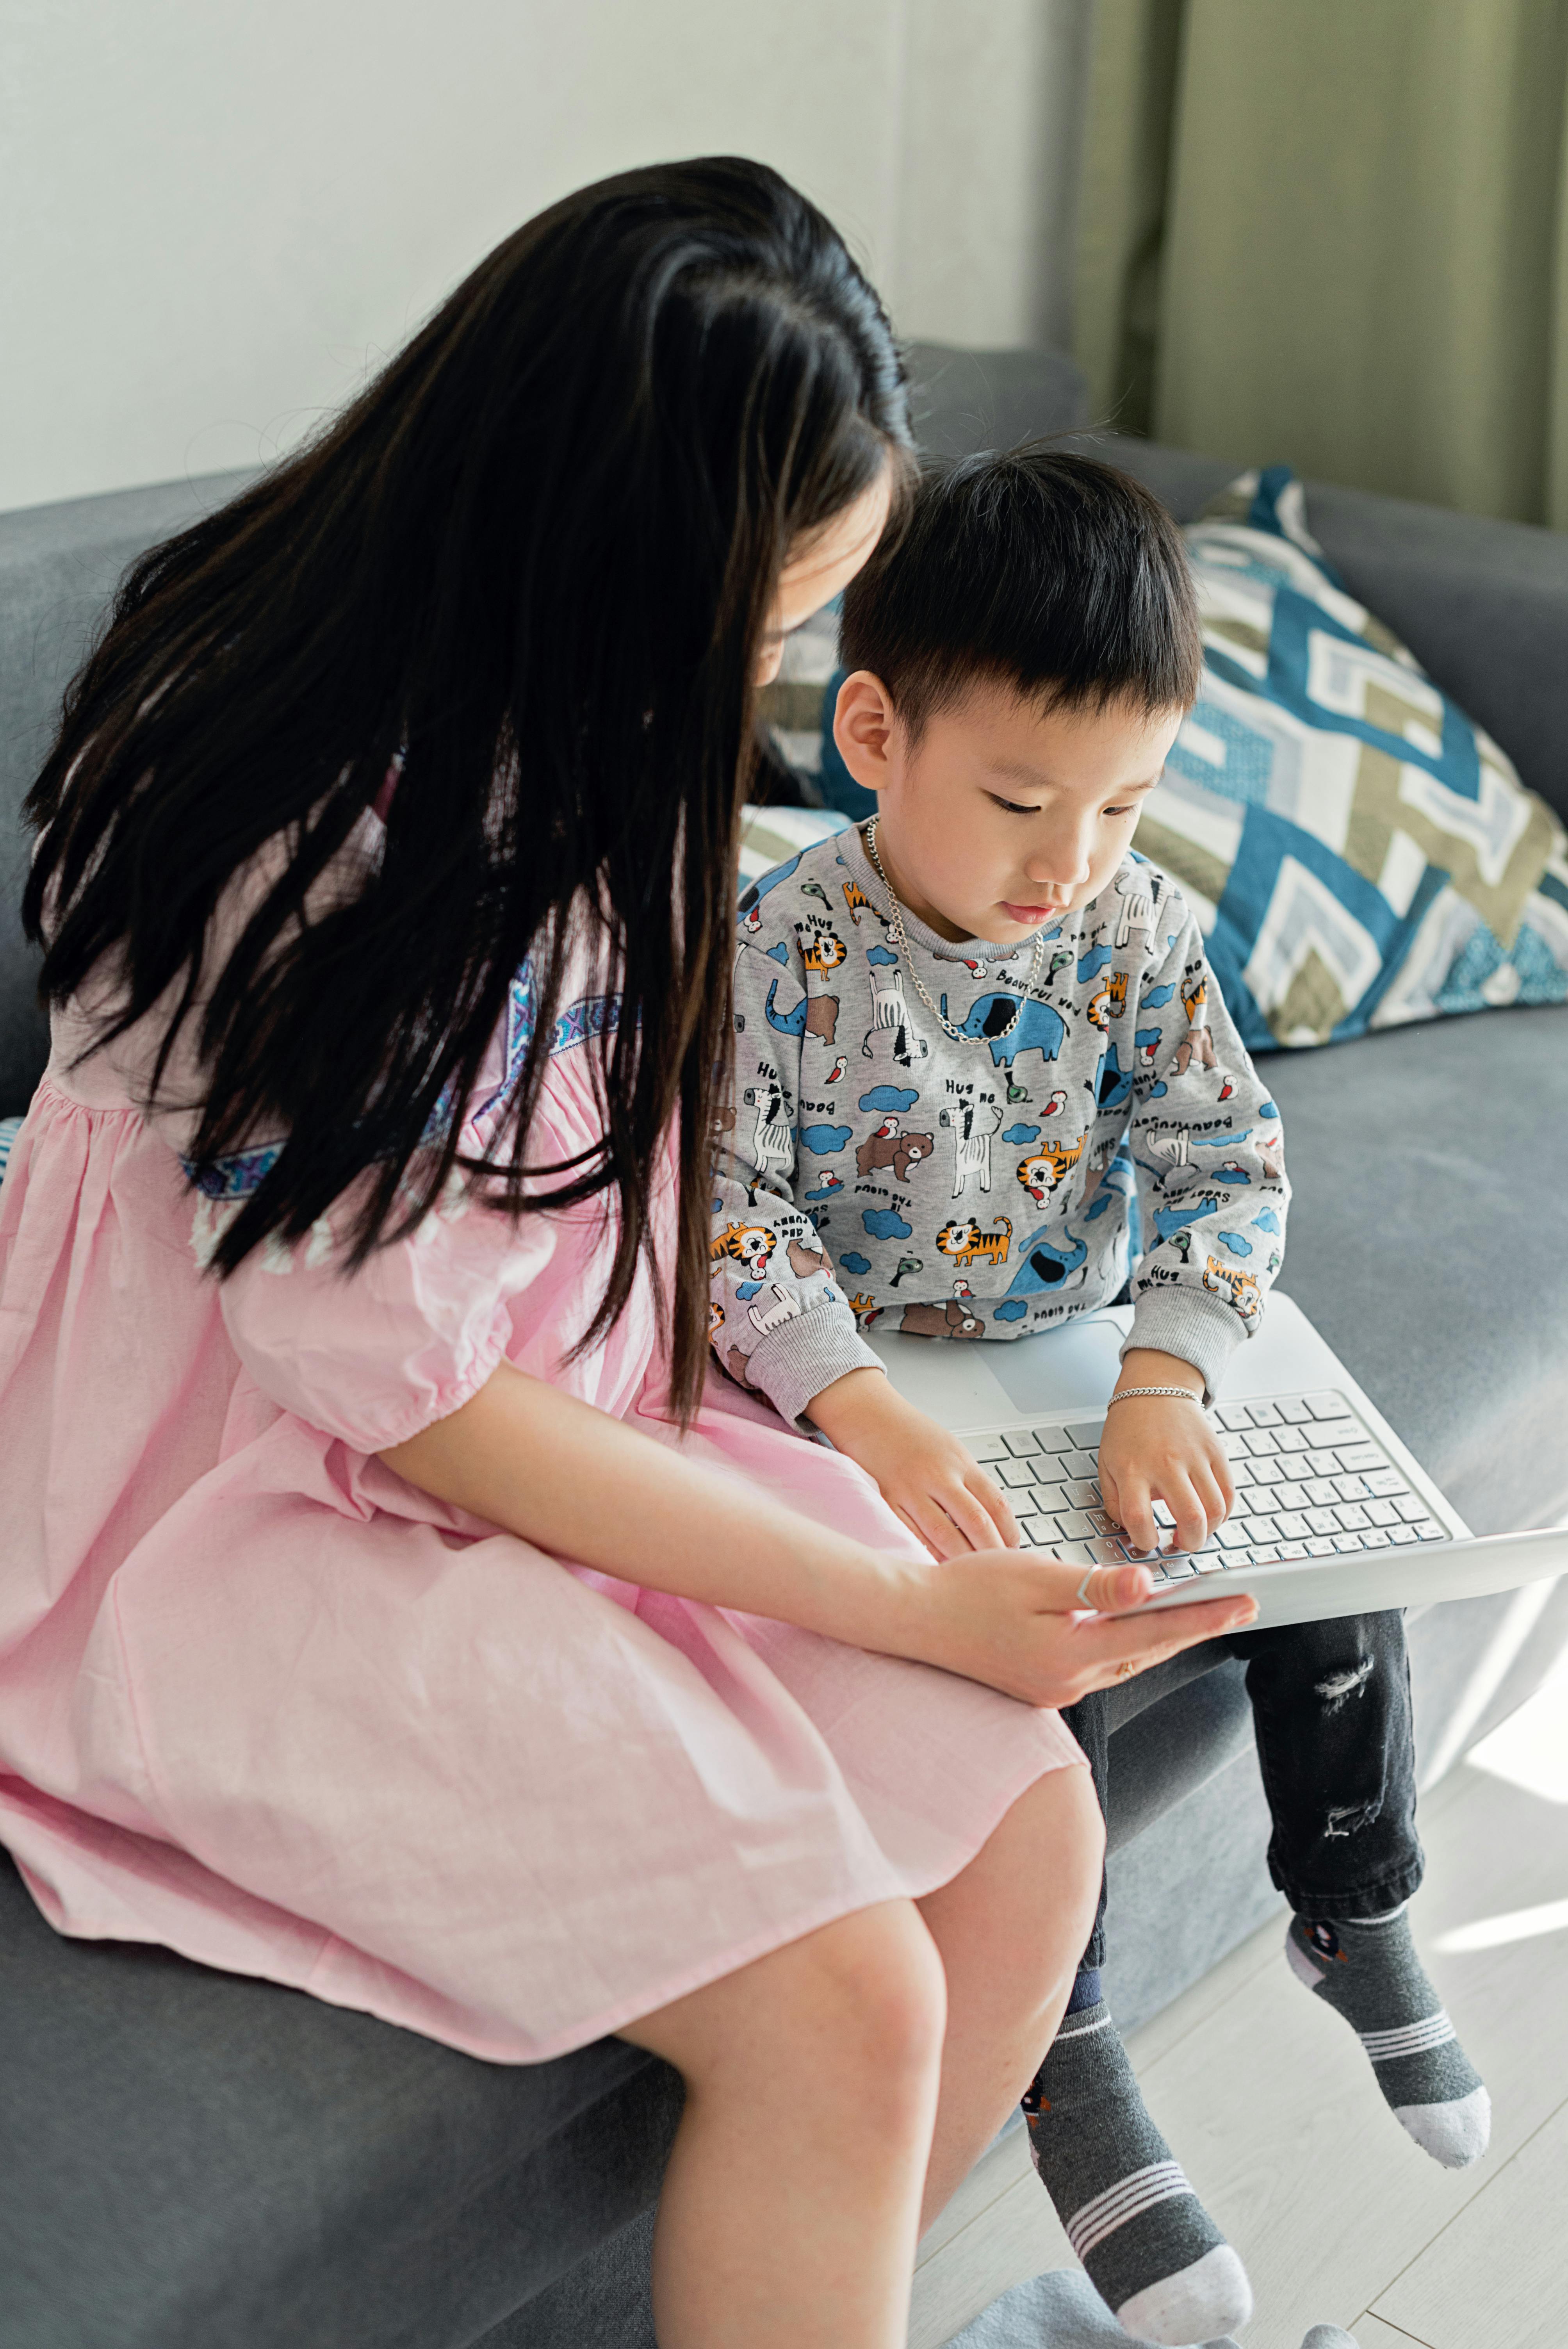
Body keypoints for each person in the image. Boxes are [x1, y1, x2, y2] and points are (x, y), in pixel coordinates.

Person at [0, 163, 1254, 2349]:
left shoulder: (567, 721)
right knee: (846, 1995)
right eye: (773, 620)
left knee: (1027, 1838)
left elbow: (584, 1210)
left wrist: (846, 1394)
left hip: (525, 1395)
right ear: (614, 553)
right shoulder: (348, 834)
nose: (776, 679)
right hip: (245, 1502)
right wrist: (890, 1591)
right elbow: (414, 1400)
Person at [711, 448, 1491, 2347]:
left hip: (1077, 1364)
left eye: (1129, 801)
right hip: (866, 1403)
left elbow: (1227, 1168)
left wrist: (1165, 1377)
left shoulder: (1130, 932)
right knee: (990, 1692)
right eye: (1020, 801)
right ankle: (1076, 2082)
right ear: (876, 733)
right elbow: (721, 1212)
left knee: (1316, 1560)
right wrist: (862, 1415)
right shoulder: (785, 949)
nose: (1072, 858)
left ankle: (1351, 1894)